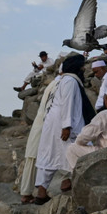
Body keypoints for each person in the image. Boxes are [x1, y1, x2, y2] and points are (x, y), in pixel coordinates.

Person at [35, 55, 95, 203]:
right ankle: (48, 191)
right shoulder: (70, 81)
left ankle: (58, 187)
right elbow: (66, 104)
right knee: (73, 152)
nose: (84, 69)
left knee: (52, 155)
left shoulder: (65, 80)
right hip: (63, 124)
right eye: (82, 66)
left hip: (56, 123)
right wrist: (66, 126)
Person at [19, 71, 62, 204]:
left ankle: (28, 193)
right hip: (44, 125)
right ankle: (30, 194)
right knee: (36, 159)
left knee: (33, 159)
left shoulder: (53, 84)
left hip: (40, 123)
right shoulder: (60, 84)